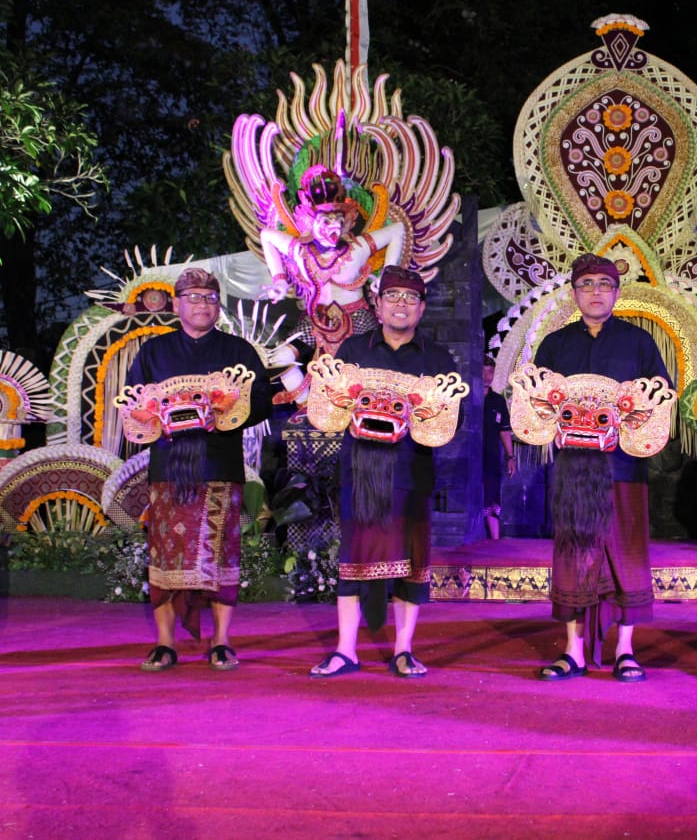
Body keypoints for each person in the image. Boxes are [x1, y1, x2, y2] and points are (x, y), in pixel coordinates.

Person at [309, 266, 459, 678]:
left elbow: (449, 422)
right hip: (360, 472)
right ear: (376, 305)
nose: (400, 305)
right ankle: (345, 650)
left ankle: (404, 649)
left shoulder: (438, 359)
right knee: (353, 557)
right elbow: (330, 407)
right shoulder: (354, 352)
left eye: (410, 298)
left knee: (412, 562)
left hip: (412, 473)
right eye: (392, 296)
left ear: (422, 308)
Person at [126, 268, 272, 671]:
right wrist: (155, 411)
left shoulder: (238, 351)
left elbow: (261, 400)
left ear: (218, 305)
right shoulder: (153, 352)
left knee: (223, 555)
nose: (201, 304)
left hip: (220, 464)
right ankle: (164, 642)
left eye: (209, 297)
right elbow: (134, 403)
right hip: (168, 467)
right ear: (176, 304)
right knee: (165, 555)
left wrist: (227, 410)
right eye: (192, 297)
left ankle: (222, 641)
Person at [533, 253, 669, 683]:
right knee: (574, 557)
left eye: (604, 285)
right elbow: (534, 405)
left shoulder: (639, 342)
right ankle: (572, 650)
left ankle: (625, 651)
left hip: (624, 469)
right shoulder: (555, 345)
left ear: (617, 292)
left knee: (625, 558)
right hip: (573, 470)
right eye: (587, 284)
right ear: (574, 293)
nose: (595, 292)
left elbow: (661, 398)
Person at [260, 167, 405, 404]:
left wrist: (388, 275)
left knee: (376, 367)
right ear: (310, 221)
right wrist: (279, 280)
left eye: (338, 220)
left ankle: (365, 409)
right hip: (316, 322)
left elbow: (397, 231)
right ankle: (307, 408)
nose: (334, 227)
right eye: (326, 220)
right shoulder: (301, 251)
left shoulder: (357, 249)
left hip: (357, 319)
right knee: (279, 359)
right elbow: (267, 235)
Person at [481, 357, 515, 539]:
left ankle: (495, 542)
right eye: (483, 371)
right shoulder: (468, 399)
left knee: (493, 499)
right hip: (470, 457)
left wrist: (511, 457)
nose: (487, 376)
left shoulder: (498, 401)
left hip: (491, 457)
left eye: (490, 372)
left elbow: (504, 432)